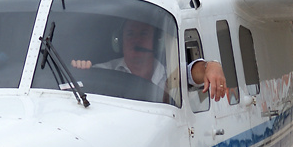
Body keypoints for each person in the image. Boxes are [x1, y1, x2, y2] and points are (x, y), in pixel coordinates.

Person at [71, 20, 229, 102]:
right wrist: (81, 72)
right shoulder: (103, 71)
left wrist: (211, 67)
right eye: (130, 34)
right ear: (119, 42)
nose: (136, 41)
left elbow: (192, 72)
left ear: (156, 42)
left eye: (144, 34)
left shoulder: (170, 73)